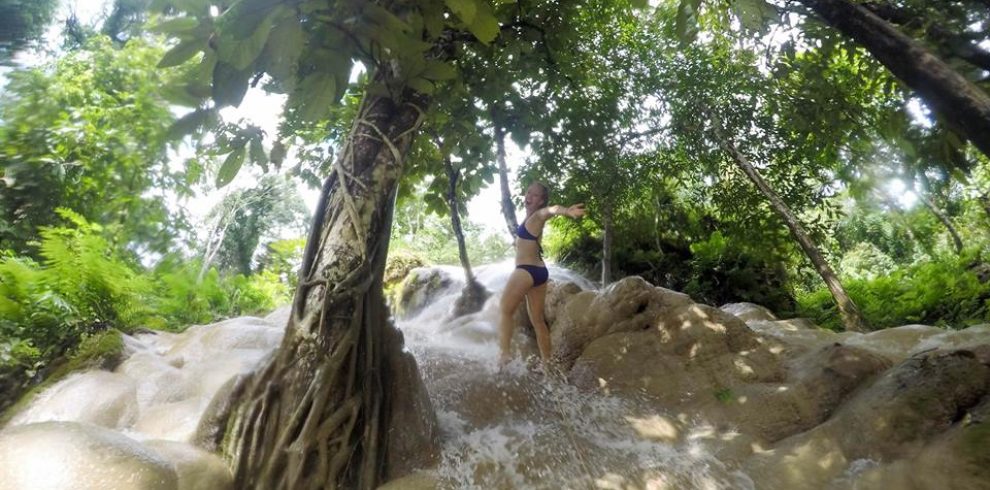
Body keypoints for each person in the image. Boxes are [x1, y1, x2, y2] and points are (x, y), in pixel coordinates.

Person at [498, 181, 586, 371]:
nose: (529, 196)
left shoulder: (538, 215)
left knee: (505, 310)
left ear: (541, 201)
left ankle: (504, 356)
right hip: (539, 272)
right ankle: (549, 365)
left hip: (526, 270)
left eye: (535, 194)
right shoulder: (530, 219)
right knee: (538, 321)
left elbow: (550, 210)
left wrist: (567, 211)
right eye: (528, 192)